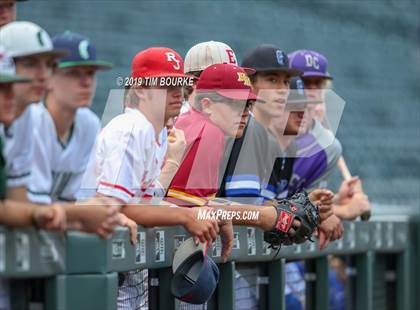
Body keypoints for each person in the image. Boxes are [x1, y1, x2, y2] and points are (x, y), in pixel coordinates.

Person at [80, 47, 232, 310]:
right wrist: (186, 216)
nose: (177, 92)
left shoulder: (158, 132)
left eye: (180, 83)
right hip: (100, 260)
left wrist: (204, 213)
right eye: (166, 84)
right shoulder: (131, 129)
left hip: (128, 265)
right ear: (140, 89)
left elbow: (146, 202)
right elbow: (117, 207)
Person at [27, 31, 111, 204]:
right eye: (73, 73)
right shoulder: (31, 120)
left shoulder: (89, 123)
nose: (86, 82)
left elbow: (77, 201)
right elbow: (33, 206)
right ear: (48, 78)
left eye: (90, 73)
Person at [288, 49, 370, 220]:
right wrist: (343, 211)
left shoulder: (325, 146)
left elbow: (304, 202)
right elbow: (267, 204)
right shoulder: (269, 131)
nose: (311, 90)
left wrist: (338, 200)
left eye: (317, 83)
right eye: (304, 81)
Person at [0, 21, 66, 201]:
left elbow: (17, 199)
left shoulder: (29, 114)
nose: (43, 75)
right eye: (30, 64)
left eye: (49, 65)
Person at [181, 40, 238, 114]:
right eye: (224, 79)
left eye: (234, 77)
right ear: (195, 83)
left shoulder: (236, 117)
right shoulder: (175, 121)